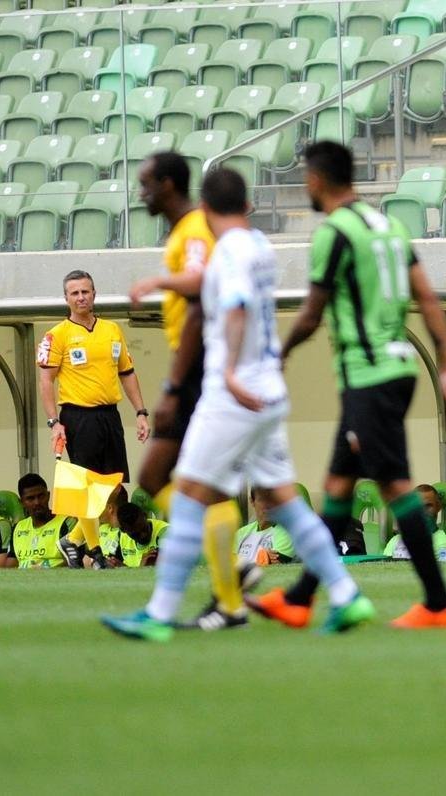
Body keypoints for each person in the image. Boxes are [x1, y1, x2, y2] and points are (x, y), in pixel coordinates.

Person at [101, 167, 374, 641]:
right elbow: (208, 281)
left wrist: (227, 372)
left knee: (185, 495)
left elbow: (236, 305)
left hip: (233, 392)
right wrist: (161, 282)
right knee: (285, 502)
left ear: (205, 207)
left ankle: (160, 614)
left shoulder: (228, 250)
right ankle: (348, 595)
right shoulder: (259, 246)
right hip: (268, 389)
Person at [250, 141, 446, 630]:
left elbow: (312, 310)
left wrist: (278, 356)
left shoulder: (336, 233)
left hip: (371, 377)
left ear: (316, 179)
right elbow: (427, 298)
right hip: (391, 370)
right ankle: (303, 597)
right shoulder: (389, 226)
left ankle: (438, 603)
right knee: (336, 489)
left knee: (394, 486)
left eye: (305, 177)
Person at [126, 151, 253, 625]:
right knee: (188, 485)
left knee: (159, 478)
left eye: (145, 183)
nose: (141, 193)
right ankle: (231, 584)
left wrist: (174, 386)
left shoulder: (195, 229)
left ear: (167, 184)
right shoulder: (188, 230)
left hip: (199, 368)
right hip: (201, 367)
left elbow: (199, 299)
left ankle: (230, 584)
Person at [39, 269, 150, 568]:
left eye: (85, 291)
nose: (80, 297)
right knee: (86, 487)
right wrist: (54, 422)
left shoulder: (112, 330)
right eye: (74, 293)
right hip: (78, 416)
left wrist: (140, 412)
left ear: (94, 294)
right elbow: (46, 381)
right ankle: (96, 552)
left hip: (108, 415)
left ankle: (72, 540)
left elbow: (126, 372)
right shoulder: (57, 335)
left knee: (113, 487)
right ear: (65, 298)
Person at [9, 473, 75, 569]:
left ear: (48, 495)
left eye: (41, 496)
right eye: (30, 498)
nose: (37, 502)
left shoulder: (66, 523)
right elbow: (10, 566)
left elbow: (74, 564)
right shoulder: (17, 528)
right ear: (21, 502)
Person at [384, 484, 446, 562]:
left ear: (438, 507)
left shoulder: (443, 544)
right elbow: (382, 569)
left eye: (428, 506)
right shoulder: (396, 540)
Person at [235, 488, 295, 565]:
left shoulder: (287, 531)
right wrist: (263, 557)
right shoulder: (241, 533)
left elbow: (275, 564)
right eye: (262, 500)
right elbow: (227, 562)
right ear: (252, 502)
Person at [115, 502, 167, 567]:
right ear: (123, 530)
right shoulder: (122, 538)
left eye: (144, 528)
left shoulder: (165, 533)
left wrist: (141, 570)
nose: (143, 535)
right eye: (136, 534)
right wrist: (124, 569)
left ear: (145, 515)